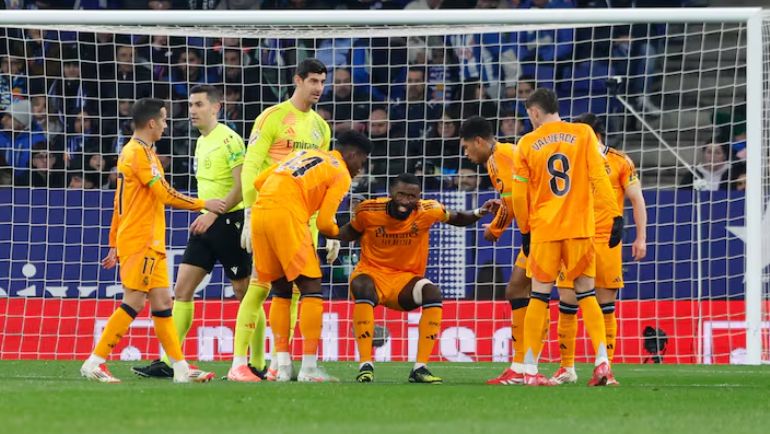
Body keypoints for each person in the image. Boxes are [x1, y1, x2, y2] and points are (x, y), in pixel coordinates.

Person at [80, 98, 226, 383]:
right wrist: (204, 203)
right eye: (164, 119)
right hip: (141, 239)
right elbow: (166, 195)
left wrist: (114, 241)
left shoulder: (140, 152)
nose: (166, 125)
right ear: (151, 123)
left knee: (162, 304)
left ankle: (181, 369)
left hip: (147, 240)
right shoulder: (139, 154)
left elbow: (119, 202)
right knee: (133, 301)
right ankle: (94, 361)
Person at [132, 85, 251, 379]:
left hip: (229, 222)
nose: (192, 111)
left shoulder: (230, 140)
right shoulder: (201, 140)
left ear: (215, 107)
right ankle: (169, 361)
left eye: (198, 104)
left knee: (245, 293)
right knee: (182, 290)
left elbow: (243, 186)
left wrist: (213, 213)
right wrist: (206, 213)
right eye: (190, 105)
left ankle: (255, 360)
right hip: (205, 222)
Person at [228, 58, 336, 382]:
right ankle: (237, 363)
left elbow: (320, 179)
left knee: (294, 292)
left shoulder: (322, 128)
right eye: (313, 81)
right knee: (261, 287)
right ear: (297, 80)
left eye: (322, 82)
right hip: (269, 213)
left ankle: (279, 363)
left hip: (303, 218)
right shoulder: (272, 118)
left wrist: (325, 227)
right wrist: (248, 211)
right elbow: (251, 165)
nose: (318, 88)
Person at [336, 173, 498, 383]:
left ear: (419, 196)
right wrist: (330, 235)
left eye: (412, 196)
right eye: (401, 194)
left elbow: (456, 217)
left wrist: (479, 212)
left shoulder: (428, 210)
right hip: (372, 275)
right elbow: (350, 231)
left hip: (405, 281)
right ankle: (366, 365)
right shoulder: (368, 210)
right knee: (362, 285)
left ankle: (420, 368)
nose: (406, 201)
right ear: (390, 193)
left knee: (433, 292)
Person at [512, 88, 623, 386]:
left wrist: (525, 228)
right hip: (580, 229)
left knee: (538, 296)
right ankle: (602, 365)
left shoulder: (526, 143)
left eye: (529, 115)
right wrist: (615, 215)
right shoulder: (585, 133)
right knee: (587, 295)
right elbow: (599, 178)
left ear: (535, 112)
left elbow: (520, 195)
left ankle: (531, 371)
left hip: (545, 230)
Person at [252, 130, 373, 382]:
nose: (360, 169)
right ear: (353, 154)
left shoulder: (302, 153)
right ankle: (308, 368)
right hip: (287, 215)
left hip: (260, 214)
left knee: (281, 290)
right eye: (362, 162)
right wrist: (341, 234)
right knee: (311, 287)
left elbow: (259, 181)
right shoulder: (340, 171)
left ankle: (282, 367)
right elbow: (327, 222)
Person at [550, 113, 647, 386]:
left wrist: (641, 238)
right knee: (567, 302)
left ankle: (606, 369)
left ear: (593, 135)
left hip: (606, 241)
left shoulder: (619, 161)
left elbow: (636, 199)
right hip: (574, 238)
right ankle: (566, 368)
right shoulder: (570, 160)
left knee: (606, 307)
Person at [458, 115, 543, 385]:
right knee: (523, 291)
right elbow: (513, 197)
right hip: (540, 227)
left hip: (543, 229)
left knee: (532, 292)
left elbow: (512, 204)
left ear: (479, 141)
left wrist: (494, 229)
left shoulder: (500, 157)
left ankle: (528, 366)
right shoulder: (503, 154)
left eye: (466, 147)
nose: (466, 153)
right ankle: (524, 365)